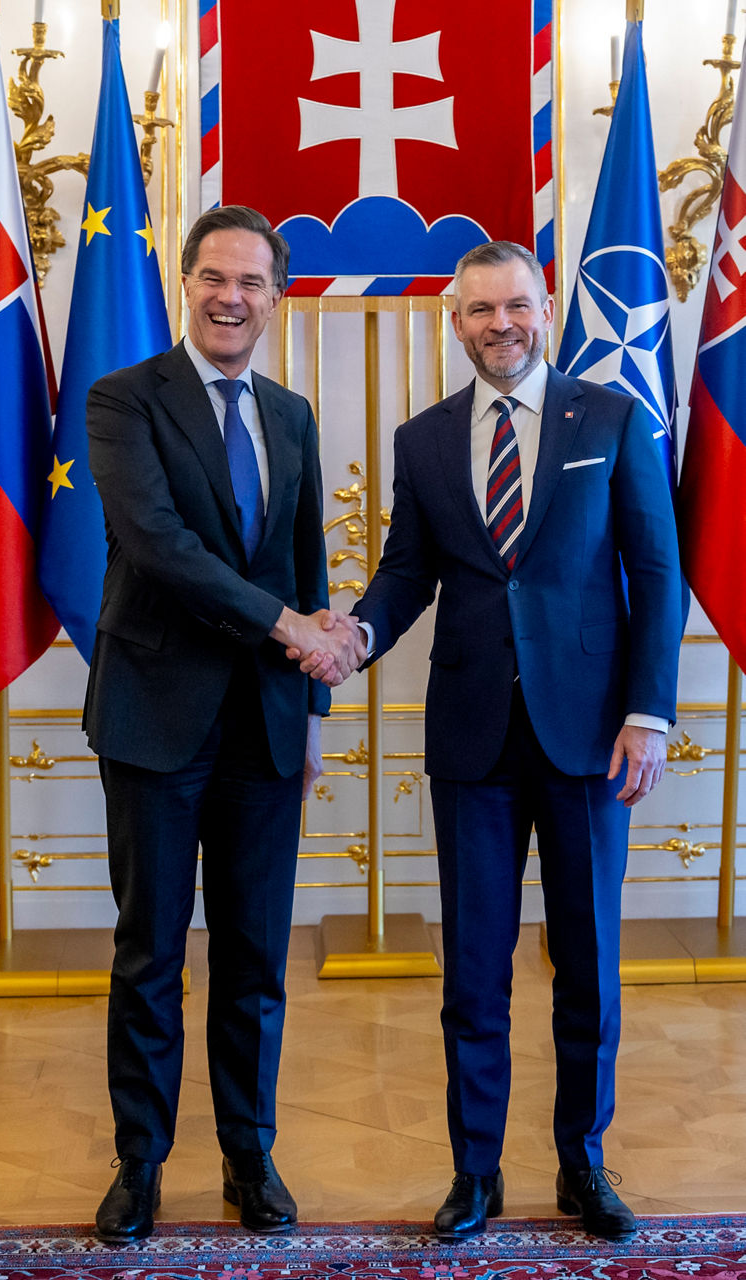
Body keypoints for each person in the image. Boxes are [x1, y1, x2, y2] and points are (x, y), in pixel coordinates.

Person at [293, 241, 682, 1240]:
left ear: (543, 310)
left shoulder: (610, 418)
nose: (499, 324)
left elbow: (656, 569)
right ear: (454, 321)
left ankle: (582, 1162)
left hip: (589, 737)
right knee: (473, 970)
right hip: (471, 742)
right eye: (479, 310)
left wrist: (647, 713)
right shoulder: (423, 439)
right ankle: (475, 1171)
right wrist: (356, 636)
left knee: (587, 963)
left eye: (514, 306)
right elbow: (404, 574)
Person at [84, 205, 361, 1243]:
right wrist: (287, 625)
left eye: (250, 282)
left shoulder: (290, 412)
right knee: (150, 951)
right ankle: (139, 1163)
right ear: (186, 285)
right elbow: (157, 543)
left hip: (266, 727)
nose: (229, 297)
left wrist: (314, 703)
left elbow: (303, 561)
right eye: (213, 277)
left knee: (253, 954)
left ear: (274, 297)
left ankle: (250, 1152)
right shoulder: (124, 399)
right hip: (154, 716)